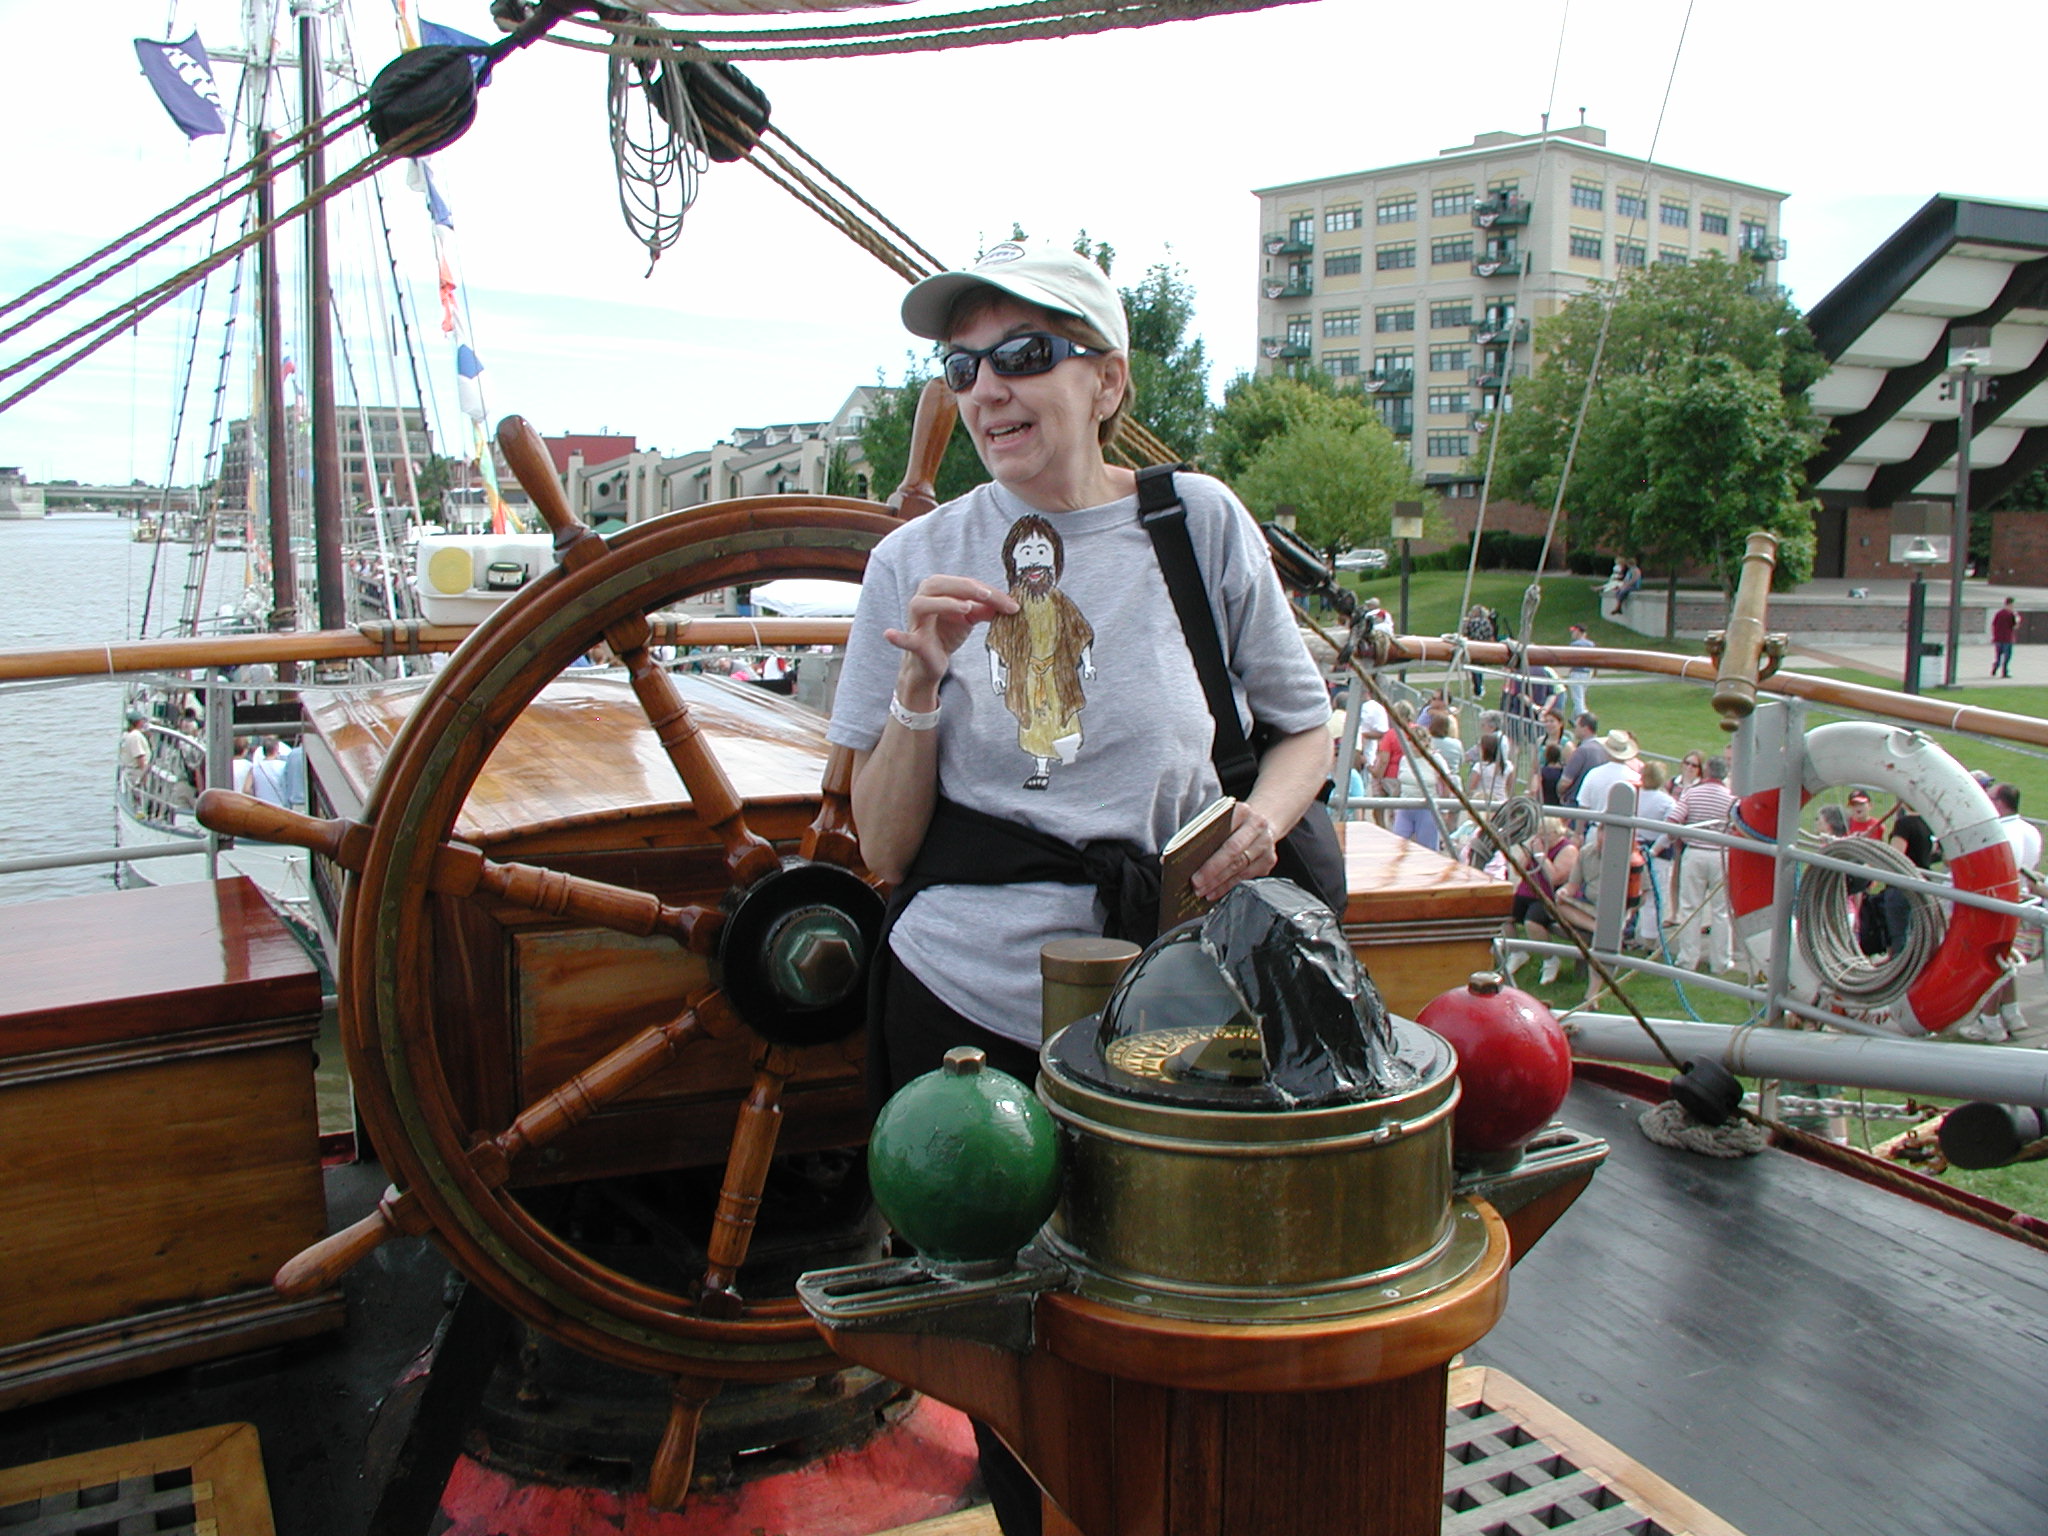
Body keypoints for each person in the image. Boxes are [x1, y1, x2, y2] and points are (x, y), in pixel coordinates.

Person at [827, 244, 1333, 1536]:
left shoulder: (1194, 524)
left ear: (1105, 381)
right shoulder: (914, 562)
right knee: (1010, 1353)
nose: (987, 389)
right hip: (966, 1013)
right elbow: (883, 851)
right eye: (961, 368)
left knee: (1181, 1314)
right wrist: (919, 683)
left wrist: (1264, 826)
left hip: (1177, 998)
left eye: (1023, 356)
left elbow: (1304, 731)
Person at [1666, 754, 1737, 975]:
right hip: (1721, 856)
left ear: (1706, 771)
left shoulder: (1692, 793)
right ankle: (1721, 962)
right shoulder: (1732, 798)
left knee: (1690, 908)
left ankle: (1687, 959)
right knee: (1721, 911)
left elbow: (1673, 821)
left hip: (1695, 854)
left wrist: (1676, 838)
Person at [1506, 817, 1577, 986]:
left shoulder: (1567, 849)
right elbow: (1519, 870)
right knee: (1503, 916)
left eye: (1545, 834)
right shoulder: (1536, 845)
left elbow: (1555, 878)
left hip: (1548, 897)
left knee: (1532, 923)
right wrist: (1527, 852)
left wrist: (1540, 856)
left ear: (1556, 833)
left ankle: (1550, 959)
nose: (1541, 838)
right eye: (1538, 834)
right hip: (1526, 891)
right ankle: (1517, 952)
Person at [1554, 713, 1602, 805]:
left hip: (1575, 801)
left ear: (1585, 728)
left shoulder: (1582, 751)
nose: (1574, 729)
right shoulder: (1603, 748)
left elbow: (1565, 782)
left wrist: (1559, 793)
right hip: (1595, 801)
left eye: (1576, 726)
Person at [1459, 604, 1495, 696]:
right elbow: (1490, 634)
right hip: (1483, 647)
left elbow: (1465, 634)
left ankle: (1477, 688)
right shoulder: (1486, 622)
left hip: (1473, 647)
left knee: (1474, 669)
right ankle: (1479, 687)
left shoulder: (1470, 622)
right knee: (1479, 668)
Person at [1564, 623, 1595, 716]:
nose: (1572, 634)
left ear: (1578, 631)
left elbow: (1570, 660)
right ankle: (1574, 718)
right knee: (1581, 697)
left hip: (1577, 672)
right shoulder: (1591, 644)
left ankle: (1582, 717)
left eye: (1573, 631)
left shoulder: (1575, 645)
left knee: (1578, 698)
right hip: (1588, 673)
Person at [1992, 596, 2020, 678]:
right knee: (2007, 656)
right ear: (2011, 604)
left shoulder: (1999, 613)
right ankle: (2004, 672)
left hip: (1998, 638)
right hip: (2007, 639)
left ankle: (1995, 667)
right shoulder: (2011, 615)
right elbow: (2015, 626)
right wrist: (2018, 620)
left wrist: (1994, 635)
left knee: (1998, 656)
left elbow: (1993, 624)